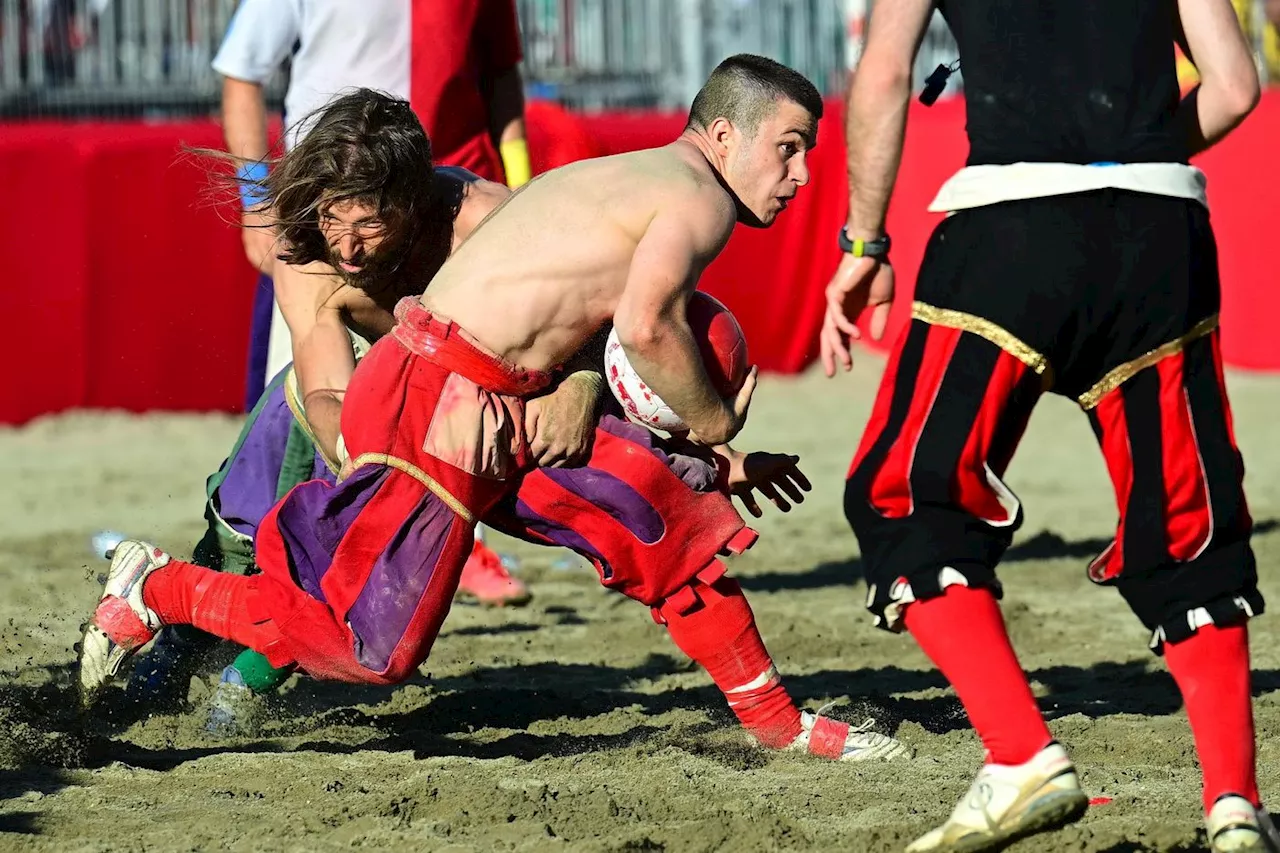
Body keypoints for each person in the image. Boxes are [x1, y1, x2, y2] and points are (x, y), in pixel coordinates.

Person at [80, 61, 912, 762]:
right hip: (402, 401)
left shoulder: (500, 203)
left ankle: (777, 723)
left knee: (659, 513)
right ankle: (163, 587)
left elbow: (590, 329)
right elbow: (648, 327)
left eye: (367, 216)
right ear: (726, 136)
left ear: (417, 197)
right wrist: (714, 425)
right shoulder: (692, 199)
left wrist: (687, 453)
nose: (801, 175)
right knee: (356, 634)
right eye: (789, 150)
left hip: (496, 393)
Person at [821, 0, 1274, 850]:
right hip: (1160, 235)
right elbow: (1237, 86)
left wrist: (864, 245)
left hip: (1010, 225)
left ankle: (1023, 754)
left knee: (904, 492)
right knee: (1188, 517)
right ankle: (1234, 806)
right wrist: (1135, 158)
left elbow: (882, 76)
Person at [212, 0, 533, 606]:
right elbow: (242, 71)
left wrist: (521, 182)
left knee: (471, 398)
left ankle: (450, 539)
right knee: (298, 427)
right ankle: (248, 574)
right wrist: (258, 204)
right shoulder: (311, 247)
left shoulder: (479, 217)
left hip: (430, 219)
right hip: (328, 218)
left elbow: (500, 77)